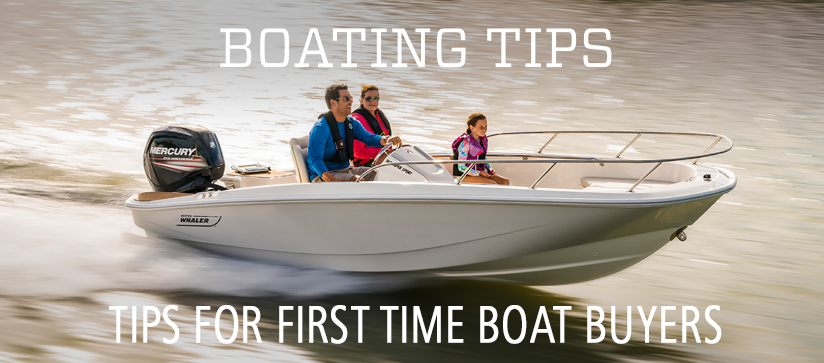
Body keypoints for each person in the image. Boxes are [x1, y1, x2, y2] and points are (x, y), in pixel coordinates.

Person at [307, 84, 402, 182]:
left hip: (345, 170)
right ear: (333, 103)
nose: (351, 101)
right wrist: (331, 180)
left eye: (350, 98)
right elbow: (315, 159)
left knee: (384, 175)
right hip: (323, 175)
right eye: (346, 98)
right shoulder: (321, 127)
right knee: (359, 180)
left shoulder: (351, 123)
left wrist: (386, 139)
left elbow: (368, 138)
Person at [451, 113, 510, 185]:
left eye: (486, 127)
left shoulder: (481, 141)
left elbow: (483, 157)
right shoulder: (465, 143)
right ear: (472, 127)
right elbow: (461, 167)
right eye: (481, 127)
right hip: (464, 176)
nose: (484, 130)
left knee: (505, 182)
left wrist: (489, 169)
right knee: (493, 184)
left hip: (478, 174)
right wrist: (479, 173)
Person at [351, 85, 392, 167]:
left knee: (407, 149)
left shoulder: (380, 115)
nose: (373, 102)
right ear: (361, 100)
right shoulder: (356, 120)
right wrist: (386, 153)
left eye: (376, 99)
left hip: (383, 157)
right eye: (368, 98)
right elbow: (358, 152)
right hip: (365, 164)